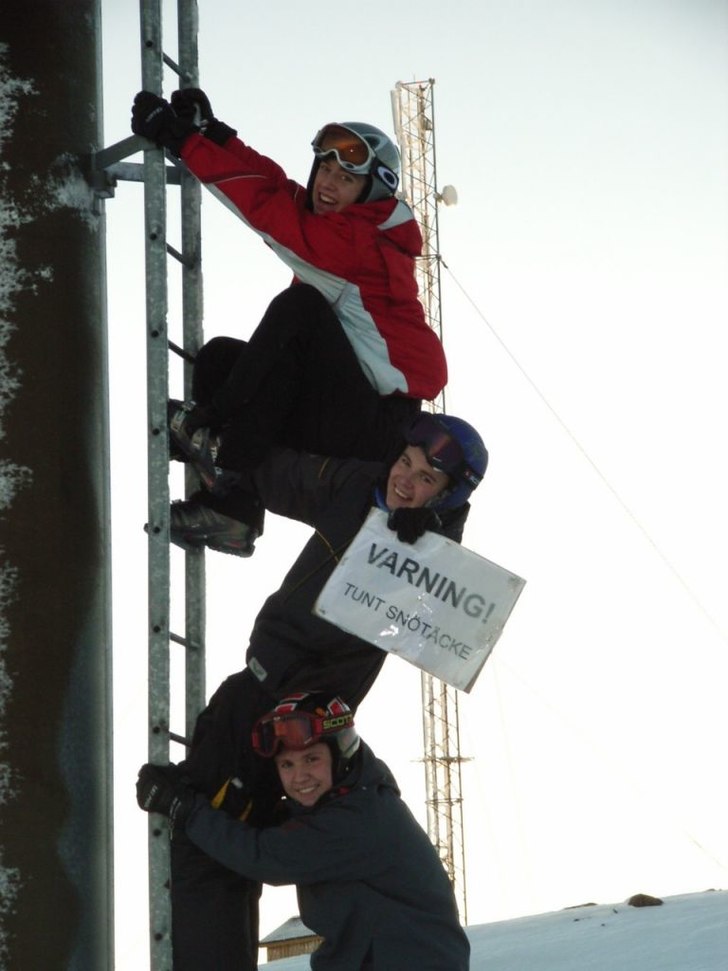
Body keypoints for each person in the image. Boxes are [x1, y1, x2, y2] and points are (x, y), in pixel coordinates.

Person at [146, 412, 487, 970]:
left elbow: (449, 615)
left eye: (428, 478)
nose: (407, 480)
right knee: (229, 825)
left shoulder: (429, 550)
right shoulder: (357, 486)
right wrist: (220, 447)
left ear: (449, 496)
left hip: (308, 709)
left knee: (215, 837)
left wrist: (432, 536)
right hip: (263, 688)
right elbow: (287, 475)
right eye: (406, 462)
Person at [130, 91, 448, 547]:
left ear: (368, 193)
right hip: (339, 400)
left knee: (299, 308)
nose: (328, 184)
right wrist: (214, 136)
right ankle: (232, 511)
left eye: (346, 179)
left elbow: (265, 211)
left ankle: (221, 449)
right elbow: (276, 189)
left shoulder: (355, 244)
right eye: (325, 169)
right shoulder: (338, 229)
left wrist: (182, 143)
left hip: (377, 425)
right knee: (221, 359)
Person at [137, 692, 471, 971]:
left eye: (312, 759)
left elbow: (266, 857)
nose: (300, 777)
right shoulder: (353, 798)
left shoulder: (359, 820)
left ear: (341, 755)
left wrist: (188, 810)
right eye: (287, 765)